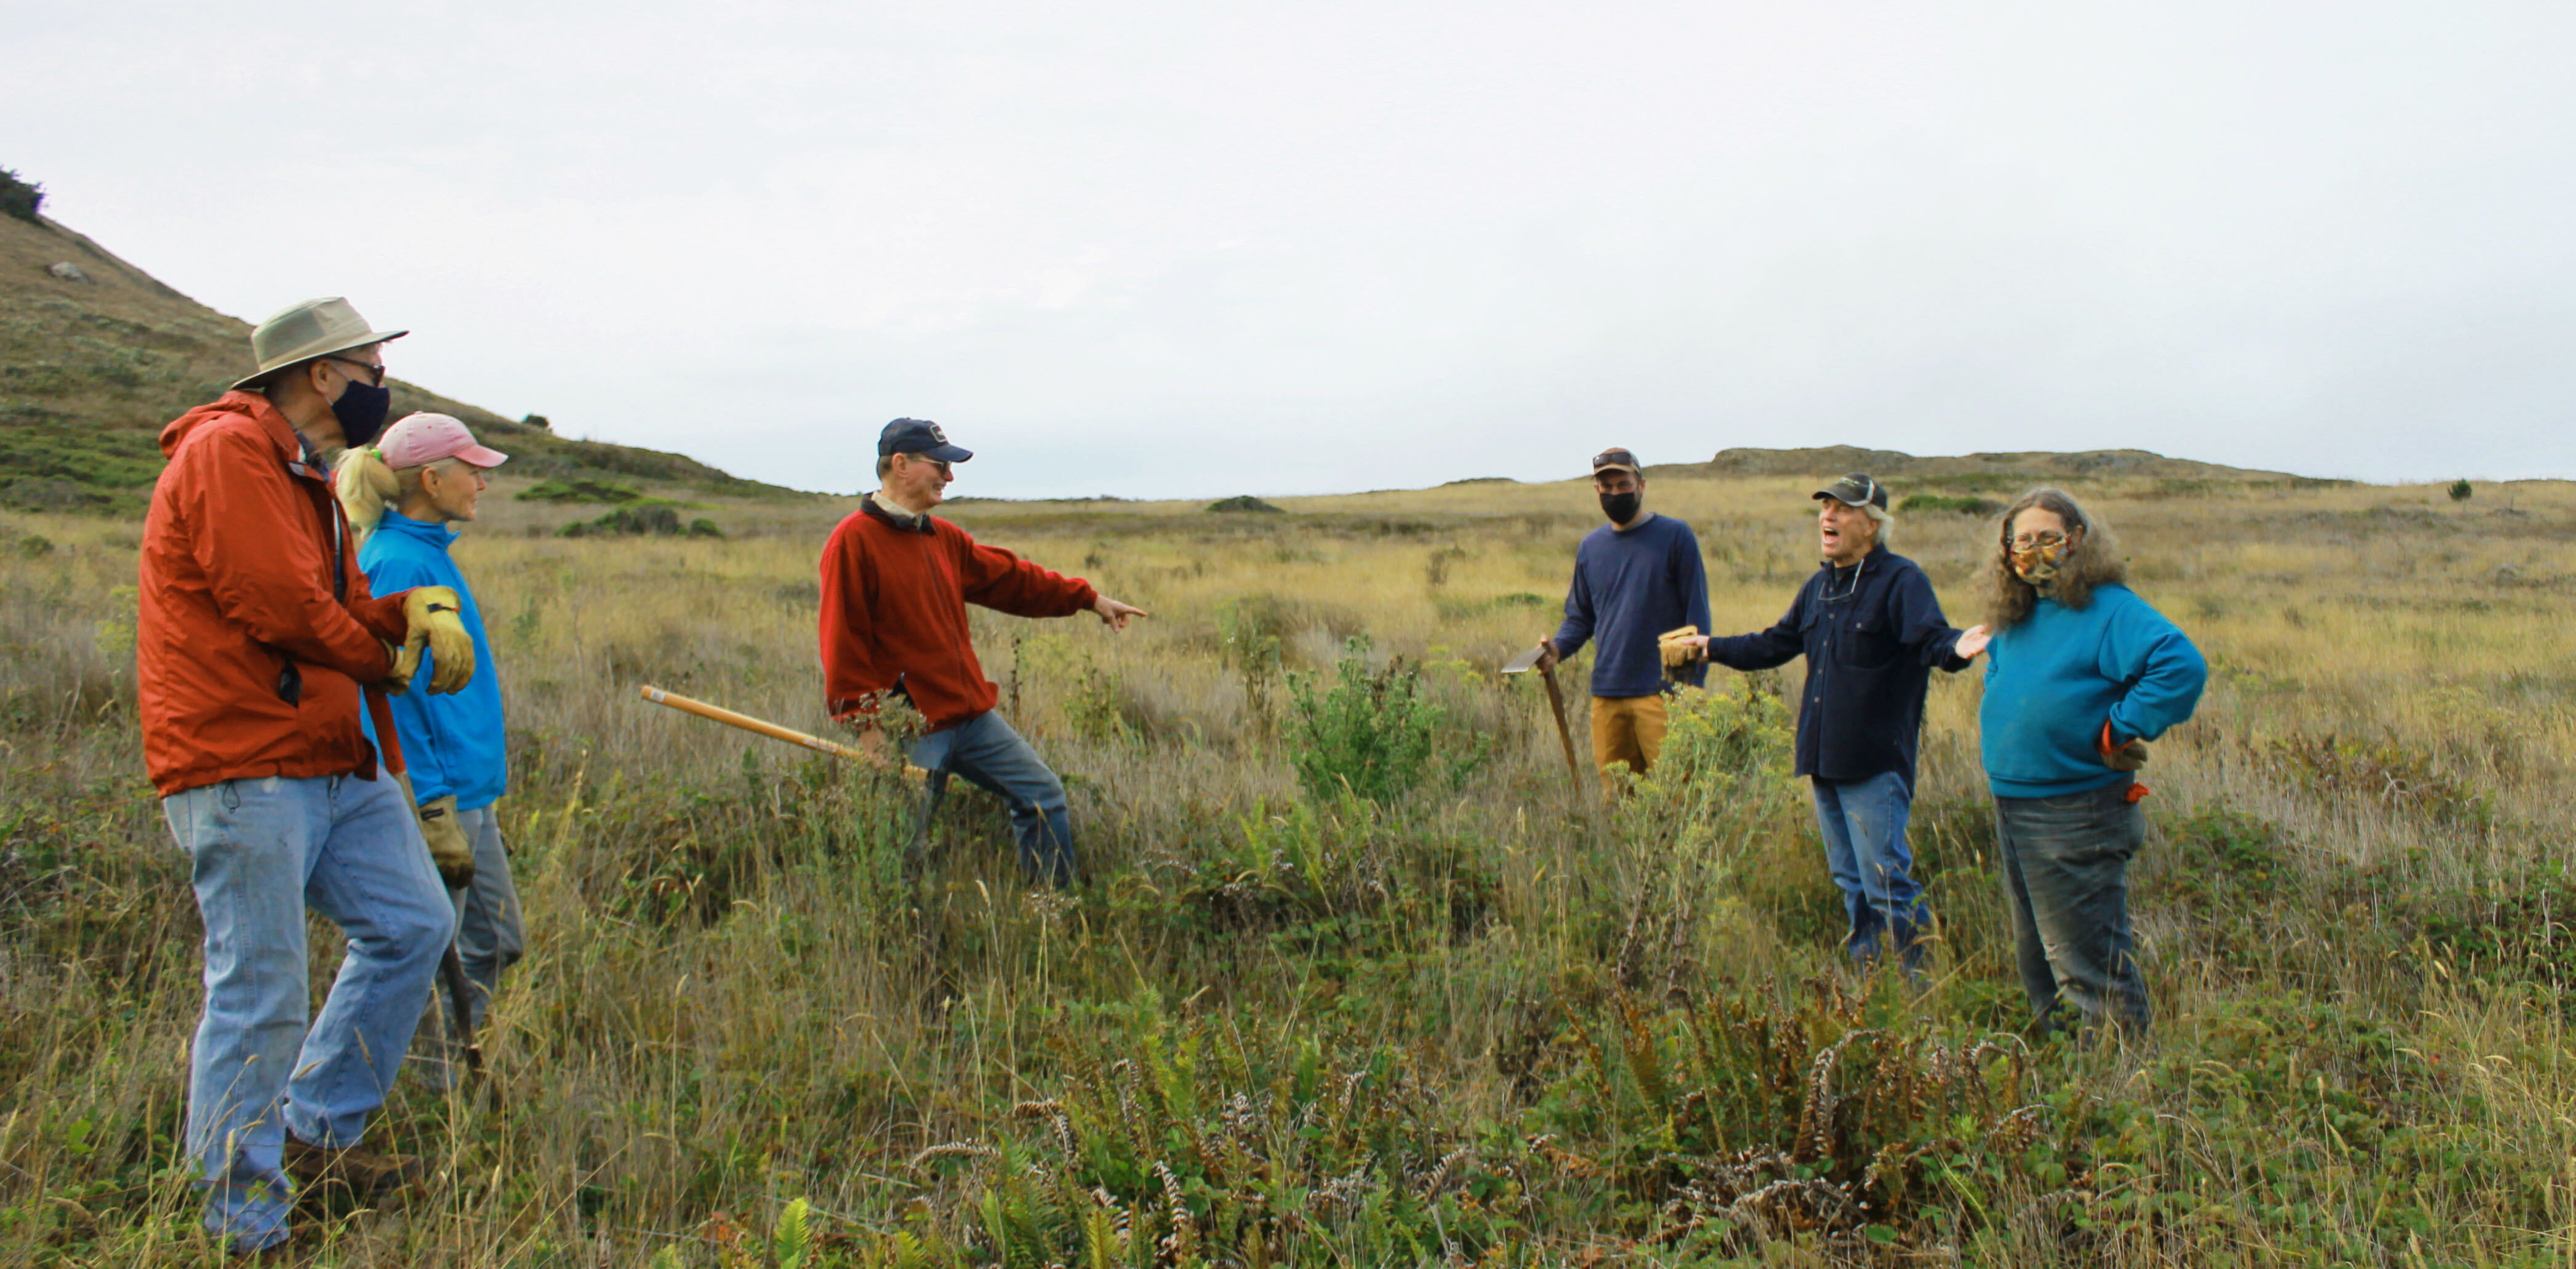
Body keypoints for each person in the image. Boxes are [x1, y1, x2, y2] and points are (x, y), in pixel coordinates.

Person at [138, 297, 475, 1254]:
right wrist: (394, 658)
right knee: (260, 990)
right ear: (320, 376)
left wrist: (410, 605)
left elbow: (330, 600)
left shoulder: (304, 475)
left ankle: (313, 1133)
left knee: (412, 923)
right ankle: (244, 1224)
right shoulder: (226, 455)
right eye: (372, 373)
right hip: (242, 759)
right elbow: (277, 604)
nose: (383, 391)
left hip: (328, 754)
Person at [1670, 474, 1980, 974]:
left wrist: (1955, 649)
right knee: (1851, 882)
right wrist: (1711, 647)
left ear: (1872, 524)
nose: (1827, 517)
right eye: (1825, 507)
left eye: (1842, 509)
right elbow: (1774, 643)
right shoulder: (1818, 587)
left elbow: (1930, 638)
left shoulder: (1901, 580)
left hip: (1874, 763)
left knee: (1886, 882)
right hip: (1822, 760)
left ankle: (1917, 990)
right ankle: (1870, 986)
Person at [819, 419, 1147, 885]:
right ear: (901, 465)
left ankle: (1051, 911)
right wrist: (869, 733)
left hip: (971, 719)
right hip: (911, 727)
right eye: (940, 466)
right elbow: (841, 645)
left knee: (1042, 796)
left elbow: (1011, 580)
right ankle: (907, 947)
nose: (949, 477)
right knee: (905, 847)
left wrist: (1087, 598)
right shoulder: (852, 543)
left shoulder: (941, 538)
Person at [1969, 487, 2205, 1041]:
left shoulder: (2107, 608)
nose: (2033, 550)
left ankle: (2120, 1087)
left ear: (2076, 542)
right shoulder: (2016, 613)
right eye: (2020, 541)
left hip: (2076, 808)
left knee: (2088, 962)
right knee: (2037, 956)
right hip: (2016, 803)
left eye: (2047, 537)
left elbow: (2180, 665)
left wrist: (2120, 726)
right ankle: (2066, 1077)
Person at [343, 413, 523, 1077]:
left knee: (497, 942)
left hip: (470, 788)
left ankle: (445, 1069)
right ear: (431, 478)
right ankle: (424, 1088)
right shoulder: (394, 560)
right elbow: (396, 696)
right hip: (442, 796)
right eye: (471, 469)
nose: (482, 481)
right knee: (424, 952)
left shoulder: (429, 552)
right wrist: (431, 801)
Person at [1533, 448, 1711, 788]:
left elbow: (1698, 617)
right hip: (1608, 692)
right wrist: (1557, 649)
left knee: (1675, 795)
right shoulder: (1591, 548)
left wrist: (1692, 690)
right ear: (1596, 490)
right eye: (1607, 486)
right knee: (1617, 801)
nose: (1615, 493)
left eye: (1623, 484)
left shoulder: (1676, 537)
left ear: (1641, 485)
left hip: (1664, 693)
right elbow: (1580, 617)